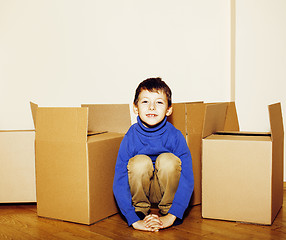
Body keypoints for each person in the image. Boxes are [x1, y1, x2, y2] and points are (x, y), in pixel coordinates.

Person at [113, 77, 194, 232]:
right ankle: (141, 210)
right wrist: (133, 219)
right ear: (135, 108)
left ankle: (168, 210)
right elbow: (120, 179)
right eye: (145, 102)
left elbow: (187, 177)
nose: (151, 107)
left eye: (159, 102)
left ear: (169, 109)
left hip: (166, 192)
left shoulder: (175, 136)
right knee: (140, 162)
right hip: (141, 193)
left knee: (168, 160)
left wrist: (172, 215)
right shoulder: (130, 137)